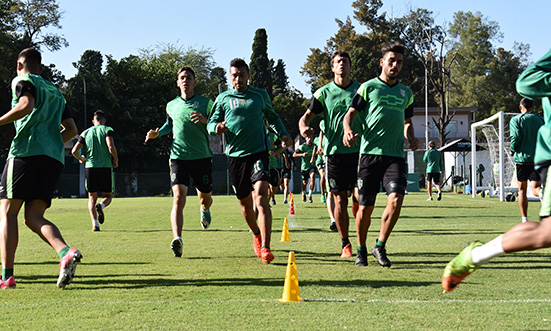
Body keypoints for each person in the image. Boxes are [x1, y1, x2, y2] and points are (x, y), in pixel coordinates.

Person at [442, 48, 551, 292]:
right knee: (546, 232)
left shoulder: (520, 120)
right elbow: (525, 82)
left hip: (526, 157)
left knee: (525, 189)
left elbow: (516, 139)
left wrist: (514, 149)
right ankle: (477, 255)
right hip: (543, 157)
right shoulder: (532, 118)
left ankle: (525, 213)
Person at [0, 48, 82, 289]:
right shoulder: (56, 92)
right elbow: (72, 129)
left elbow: (26, 105)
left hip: (26, 153)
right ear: (41, 68)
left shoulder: (22, 80)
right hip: (53, 158)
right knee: (33, 217)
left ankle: (6, 276)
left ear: (18, 65)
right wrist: (52, 139)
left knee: (7, 212)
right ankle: (65, 251)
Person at [207, 58, 292, 264]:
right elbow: (210, 123)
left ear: (248, 76)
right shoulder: (223, 98)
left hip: (258, 153)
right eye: (234, 75)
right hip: (235, 157)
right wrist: (217, 128)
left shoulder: (260, 96)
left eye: (242, 75)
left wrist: (283, 134)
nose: (238, 79)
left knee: (261, 198)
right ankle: (256, 234)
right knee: (245, 205)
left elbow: (273, 117)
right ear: (230, 76)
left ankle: (266, 247)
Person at [343, 43, 419, 267]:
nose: (395, 65)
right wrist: (348, 130)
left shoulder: (407, 93)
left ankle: (380, 245)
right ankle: (361, 250)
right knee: (365, 207)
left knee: (396, 199)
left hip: (395, 156)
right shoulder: (368, 88)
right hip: (369, 155)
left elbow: (407, 123)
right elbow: (350, 114)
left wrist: (411, 137)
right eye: (392, 60)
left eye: (399, 62)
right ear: (382, 62)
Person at [145, 65, 214, 258]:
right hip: (178, 158)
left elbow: (216, 123)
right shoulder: (171, 105)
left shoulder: (206, 103)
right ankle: (178, 239)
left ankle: (204, 209)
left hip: (202, 157)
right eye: (182, 77)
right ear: (177, 82)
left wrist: (205, 120)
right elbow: (169, 124)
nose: (185, 80)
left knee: (204, 198)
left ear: (194, 81)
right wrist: (157, 133)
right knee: (178, 198)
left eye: (189, 77)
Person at [298, 51, 361, 258]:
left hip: (360, 153)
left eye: (345, 61)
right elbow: (305, 118)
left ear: (351, 67)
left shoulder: (361, 90)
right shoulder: (323, 93)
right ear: (332, 68)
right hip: (334, 154)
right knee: (339, 199)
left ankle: (360, 238)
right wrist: (303, 128)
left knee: (361, 198)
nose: (342, 64)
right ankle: (346, 244)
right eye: (337, 62)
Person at [72, 110, 118, 232]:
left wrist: (81, 159)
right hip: (105, 167)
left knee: (92, 198)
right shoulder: (107, 129)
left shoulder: (86, 132)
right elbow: (110, 146)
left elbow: (74, 151)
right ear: (104, 120)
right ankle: (101, 205)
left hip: (90, 167)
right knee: (108, 196)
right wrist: (116, 160)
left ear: (93, 121)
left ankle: (95, 224)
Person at [509, 98, 544, 222]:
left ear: (520, 107)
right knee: (536, 188)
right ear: (532, 108)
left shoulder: (516, 119)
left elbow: (516, 136)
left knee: (522, 190)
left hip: (522, 159)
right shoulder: (540, 120)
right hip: (538, 158)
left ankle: (524, 219)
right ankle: (542, 195)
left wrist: (513, 149)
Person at [293, 135, 317, 203]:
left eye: (311, 138)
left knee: (313, 176)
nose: (309, 139)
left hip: (312, 166)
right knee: (305, 182)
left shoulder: (315, 146)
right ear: (305, 139)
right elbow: (294, 154)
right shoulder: (302, 146)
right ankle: (303, 193)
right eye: (308, 138)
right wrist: (302, 154)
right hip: (304, 167)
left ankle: (310, 194)